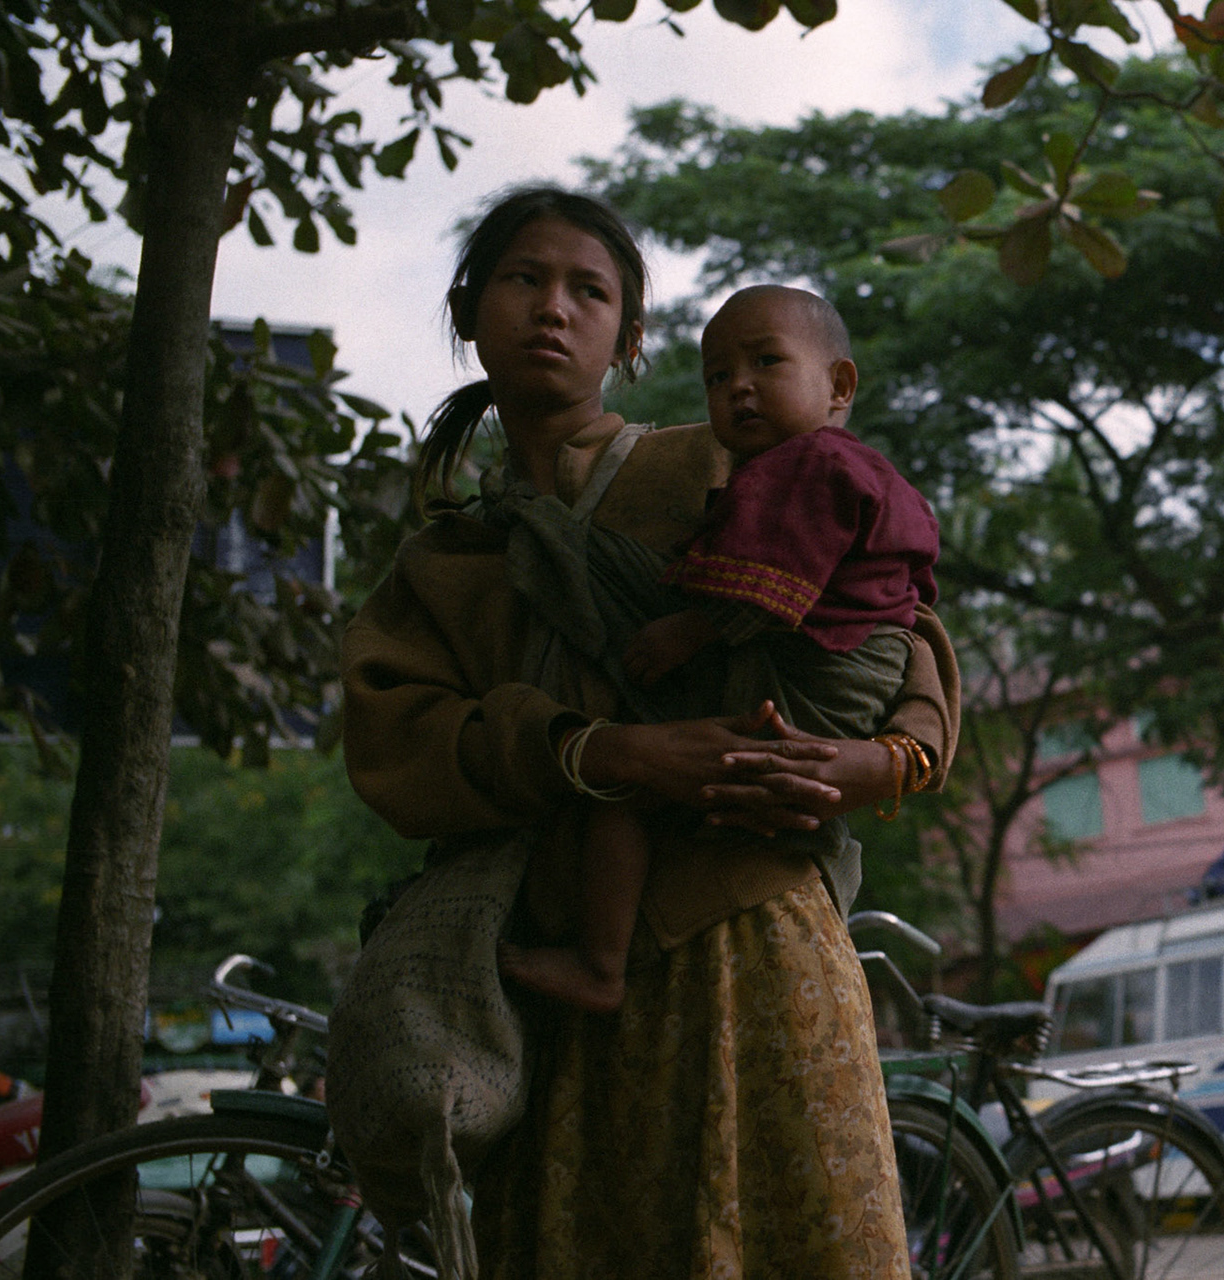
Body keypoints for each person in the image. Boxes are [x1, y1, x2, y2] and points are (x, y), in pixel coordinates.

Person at [340, 186, 959, 1278]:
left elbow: (901, 627)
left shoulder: (724, 471)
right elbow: (402, 743)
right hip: (556, 980)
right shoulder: (445, 563)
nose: (552, 309)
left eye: (590, 291)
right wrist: (599, 750)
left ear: (628, 340)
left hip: (757, 943)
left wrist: (884, 759)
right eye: (524, 279)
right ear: (467, 308)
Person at [500, 283, 939, 1013]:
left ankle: (599, 965)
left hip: (823, 671)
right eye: (716, 376)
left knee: (634, 789)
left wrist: (687, 631)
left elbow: (773, 588)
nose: (738, 388)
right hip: (849, 667)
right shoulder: (838, 468)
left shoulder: (806, 467)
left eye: (765, 362)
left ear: (839, 385)